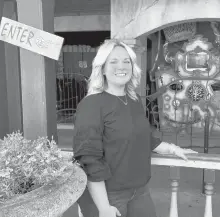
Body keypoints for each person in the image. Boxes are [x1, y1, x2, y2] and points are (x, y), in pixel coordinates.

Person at [73, 39, 198, 217]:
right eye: (113, 61)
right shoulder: (91, 105)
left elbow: (146, 138)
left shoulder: (133, 100)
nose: (121, 66)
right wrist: (103, 207)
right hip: (108, 196)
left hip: (139, 191)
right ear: (102, 69)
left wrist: (173, 149)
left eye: (126, 61)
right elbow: (89, 158)